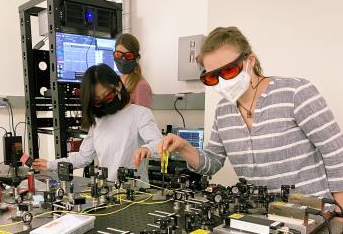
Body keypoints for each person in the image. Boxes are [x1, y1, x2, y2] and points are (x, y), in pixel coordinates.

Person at [141, 27, 343, 210]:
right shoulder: (223, 110)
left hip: (313, 216)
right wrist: (183, 147)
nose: (221, 81)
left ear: (250, 61)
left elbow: (336, 152)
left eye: (228, 70)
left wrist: (340, 213)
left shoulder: (296, 92)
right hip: (259, 215)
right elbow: (212, 162)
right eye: (212, 77)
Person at [32, 64, 162, 182]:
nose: (105, 103)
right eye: (98, 101)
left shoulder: (140, 114)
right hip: (108, 193)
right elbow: (83, 157)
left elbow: (159, 145)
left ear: (118, 85)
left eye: (108, 96)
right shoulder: (98, 121)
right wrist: (50, 165)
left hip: (138, 196)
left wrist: (147, 148)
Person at [114, 33, 153, 108]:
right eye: (118, 55)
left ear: (136, 58)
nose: (123, 59)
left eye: (128, 56)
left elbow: (143, 118)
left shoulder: (141, 87)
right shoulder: (115, 82)